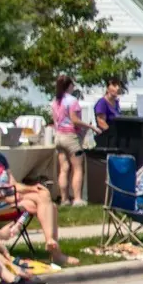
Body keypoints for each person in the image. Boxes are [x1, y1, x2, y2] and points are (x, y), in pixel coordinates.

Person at [0, 121, 73, 266]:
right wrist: (8, 198)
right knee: (47, 206)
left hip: (12, 198)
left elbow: (14, 184)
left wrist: (31, 188)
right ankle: (55, 253)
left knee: (43, 195)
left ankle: (51, 242)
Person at [49, 74, 86, 205]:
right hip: (70, 137)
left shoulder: (55, 101)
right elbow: (75, 120)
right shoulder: (72, 101)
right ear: (69, 86)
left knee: (64, 168)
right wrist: (89, 126)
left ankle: (64, 199)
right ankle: (77, 198)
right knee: (77, 168)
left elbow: (54, 121)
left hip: (58, 136)